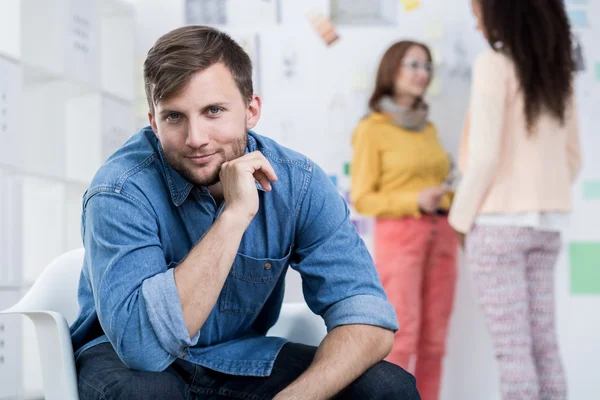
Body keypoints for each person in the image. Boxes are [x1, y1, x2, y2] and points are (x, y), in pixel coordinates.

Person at [69, 25, 420, 400]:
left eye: (214, 111)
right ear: (154, 122)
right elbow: (142, 349)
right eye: (174, 117)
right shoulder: (119, 190)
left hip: (236, 355)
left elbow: (368, 321)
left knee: (387, 386)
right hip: (125, 361)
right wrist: (233, 217)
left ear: (251, 110)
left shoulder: (299, 184)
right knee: (147, 391)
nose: (196, 138)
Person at [449, 0, 581, 399]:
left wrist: (459, 219)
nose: (476, 25)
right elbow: (573, 160)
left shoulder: (494, 64)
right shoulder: (558, 73)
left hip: (496, 226)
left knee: (513, 354)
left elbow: (485, 156)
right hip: (547, 226)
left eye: (478, 14)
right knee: (544, 346)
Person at [350, 41, 457, 400]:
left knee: (435, 342)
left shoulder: (428, 129)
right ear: (392, 69)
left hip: (441, 234)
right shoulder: (372, 128)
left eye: (427, 66)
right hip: (400, 237)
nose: (421, 74)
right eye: (412, 64)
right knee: (403, 335)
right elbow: (363, 197)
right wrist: (415, 199)